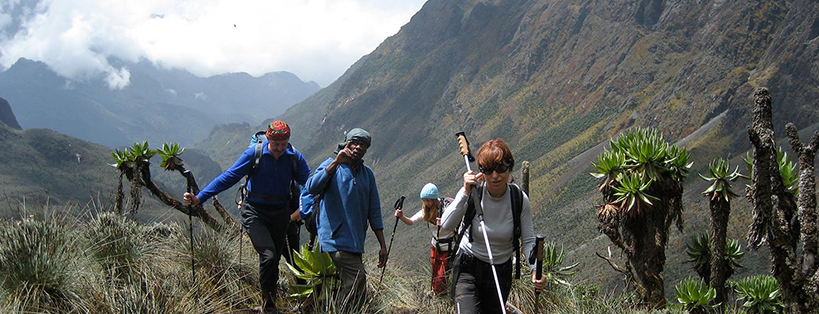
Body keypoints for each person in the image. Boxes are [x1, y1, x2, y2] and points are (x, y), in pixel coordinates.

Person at [183, 120, 310, 314]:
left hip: (280, 214)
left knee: (273, 260)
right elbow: (229, 177)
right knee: (268, 256)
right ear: (268, 139)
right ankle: (268, 307)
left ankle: (270, 303)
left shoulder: (294, 156)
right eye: (276, 144)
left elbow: (309, 184)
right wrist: (200, 198)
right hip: (254, 212)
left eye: (283, 144)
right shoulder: (254, 154)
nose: (279, 148)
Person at [440, 139, 546, 314]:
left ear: (510, 167)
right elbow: (445, 225)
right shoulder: (474, 193)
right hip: (468, 268)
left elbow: (527, 240)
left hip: (500, 272)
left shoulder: (519, 200)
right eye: (488, 170)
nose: (495, 175)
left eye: (501, 169)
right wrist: (465, 191)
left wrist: (535, 271)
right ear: (481, 171)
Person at [304, 127, 387, 309]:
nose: (358, 147)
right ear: (346, 144)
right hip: (335, 237)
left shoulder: (368, 175)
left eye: (363, 145)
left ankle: (329, 308)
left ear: (366, 149)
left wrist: (382, 245)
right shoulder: (332, 165)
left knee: (357, 286)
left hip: (356, 240)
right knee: (357, 279)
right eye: (355, 143)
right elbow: (311, 187)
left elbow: (374, 211)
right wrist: (335, 162)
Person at [394, 183, 455, 297]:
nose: (427, 203)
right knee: (434, 275)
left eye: (429, 200)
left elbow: (454, 223)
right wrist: (401, 216)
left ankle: (440, 297)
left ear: (434, 199)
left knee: (440, 278)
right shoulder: (425, 211)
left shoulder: (446, 209)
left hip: (447, 249)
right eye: (424, 200)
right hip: (435, 246)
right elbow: (411, 221)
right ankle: (440, 298)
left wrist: (444, 223)